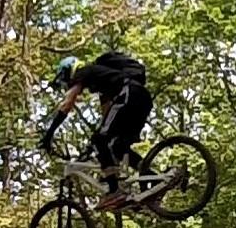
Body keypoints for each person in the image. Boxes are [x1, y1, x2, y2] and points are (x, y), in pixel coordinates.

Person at [38, 50, 152, 211]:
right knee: (117, 147)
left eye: (66, 80)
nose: (68, 84)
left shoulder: (84, 72)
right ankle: (153, 177)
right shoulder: (105, 84)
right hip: (142, 99)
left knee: (100, 139)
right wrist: (90, 149)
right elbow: (106, 120)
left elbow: (67, 104)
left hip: (129, 95)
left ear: (69, 72)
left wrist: (48, 135)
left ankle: (114, 191)